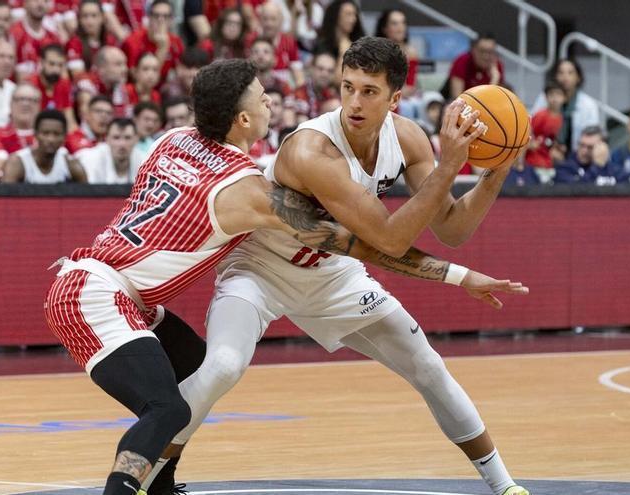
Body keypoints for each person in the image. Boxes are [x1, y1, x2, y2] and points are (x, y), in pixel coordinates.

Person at [43, 57, 519, 495]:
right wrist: (457, 271)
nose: (273, 100)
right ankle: (137, 482)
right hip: (252, 269)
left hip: (326, 277)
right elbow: (384, 243)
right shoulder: (281, 170)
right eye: (263, 97)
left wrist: (494, 171)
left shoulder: (173, 139)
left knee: (426, 365)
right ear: (244, 119)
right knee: (200, 383)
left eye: (368, 91)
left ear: (395, 97)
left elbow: (445, 228)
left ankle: (504, 484)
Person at [531, 58, 599, 155]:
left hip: (577, 156)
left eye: (570, 73)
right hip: (544, 153)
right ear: (555, 76)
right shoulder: (543, 97)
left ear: (578, 77)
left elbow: (592, 135)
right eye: (561, 72)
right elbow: (532, 127)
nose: (565, 77)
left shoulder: (588, 104)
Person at [2, 109, 87, 183]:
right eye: (45, 133)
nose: (51, 139)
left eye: (56, 134)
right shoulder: (17, 163)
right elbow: (5, 199)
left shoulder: (71, 164)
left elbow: (87, 199)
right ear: (35, 134)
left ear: (64, 137)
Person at [0, 83, 40, 176]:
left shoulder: (50, 135)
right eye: (20, 99)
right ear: (10, 104)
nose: (25, 104)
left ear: (39, 106)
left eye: (32, 100)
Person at [554, 126, 629, 185]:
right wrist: (597, 166)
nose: (584, 151)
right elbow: (576, 192)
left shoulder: (617, 172)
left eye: (590, 147)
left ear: (603, 148)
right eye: (581, 145)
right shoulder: (564, 169)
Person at [525, 80, 566, 183]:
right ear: (546, 97)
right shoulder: (540, 116)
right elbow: (528, 132)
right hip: (534, 162)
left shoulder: (564, 120)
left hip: (551, 165)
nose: (555, 98)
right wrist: (530, 144)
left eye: (558, 94)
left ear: (564, 98)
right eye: (551, 94)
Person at [76, 117, 140, 184]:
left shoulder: (143, 160)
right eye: (116, 138)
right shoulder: (92, 158)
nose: (122, 144)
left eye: (127, 138)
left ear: (136, 139)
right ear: (106, 139)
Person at [448, 33, 504, 100]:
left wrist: (495, 78)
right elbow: (457, 99)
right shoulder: (462, 62)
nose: (485, 56)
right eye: (482, 51)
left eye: (490, 52)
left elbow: (495, 100)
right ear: (473, 50)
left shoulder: (497, 66)